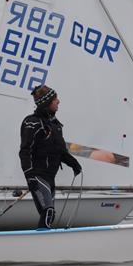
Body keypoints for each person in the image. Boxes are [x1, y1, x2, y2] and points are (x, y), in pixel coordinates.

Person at [18, 84, 82, 229]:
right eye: (55, 99)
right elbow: (24, 151)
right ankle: (41, 243)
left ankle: (44, 240)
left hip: (50, 176)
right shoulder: (32, 122)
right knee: (48, 212)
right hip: (37, 176)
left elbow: (60, 150)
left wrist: (73, 163)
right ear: (47, 103)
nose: (58, 102)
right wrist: (29, 177)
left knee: (49, 214)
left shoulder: (55, 124)